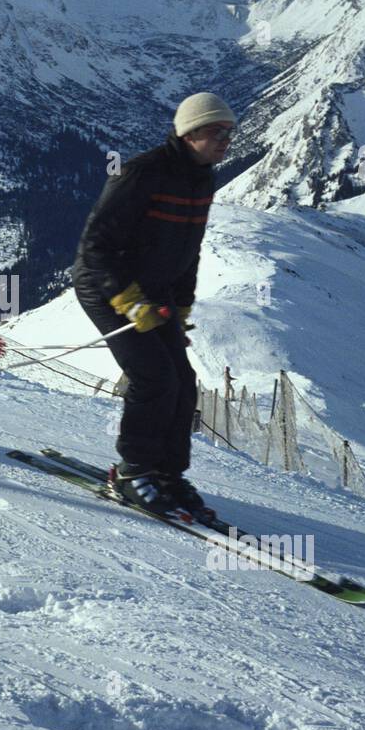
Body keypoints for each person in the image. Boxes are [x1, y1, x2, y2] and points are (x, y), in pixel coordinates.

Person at [71, 91, 235, 514]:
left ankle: (168, 474)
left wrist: (179, 307)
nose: (226, 141)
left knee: (182, 383)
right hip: (105, 288)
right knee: (153, 377)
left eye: (230, 133)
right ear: (191, 132)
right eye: (218, 132)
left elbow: (188, 250)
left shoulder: (202, 178)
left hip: (155, 293)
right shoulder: (141, 173)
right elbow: (96, 245)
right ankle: (133, 472)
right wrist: (129, 301)